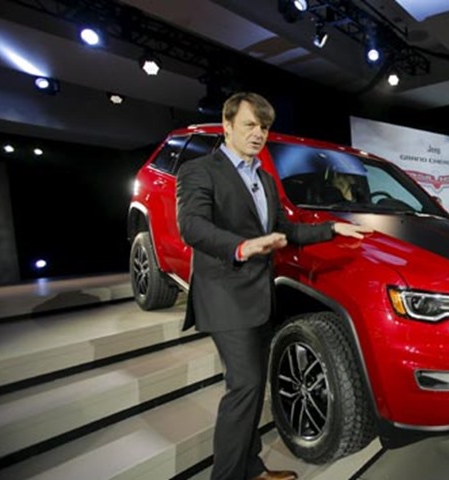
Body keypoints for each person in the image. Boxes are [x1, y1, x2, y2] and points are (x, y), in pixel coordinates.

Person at [176, 92, 372, 480]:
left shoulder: (264, 178)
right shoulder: (200, 170)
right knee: (245, 388)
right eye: (249, 125)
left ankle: (251, 467)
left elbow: (284, 230)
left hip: (260, 296)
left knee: (249, 388)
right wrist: (241, 246)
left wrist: (331, 228)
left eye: (264, 127)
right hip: (225, 295)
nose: (258, 133)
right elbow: (192, 226)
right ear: (227, 125)